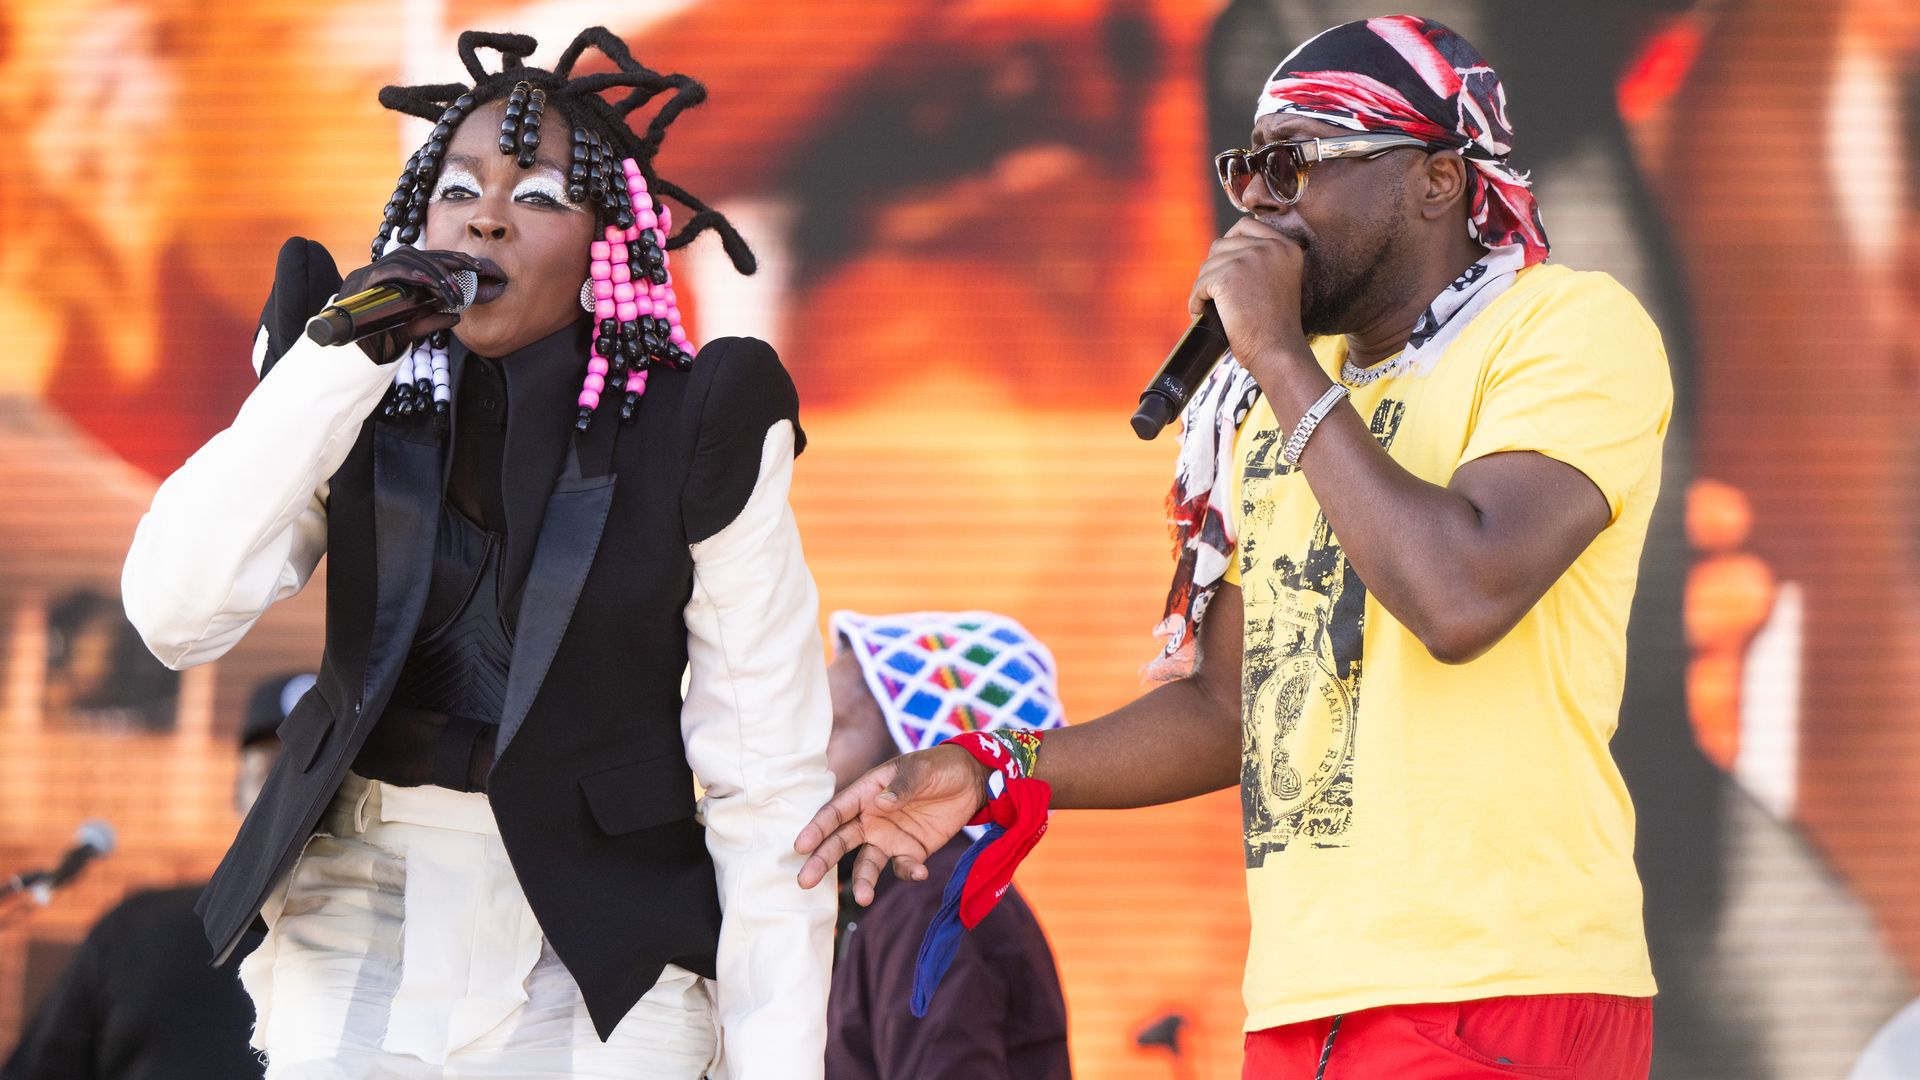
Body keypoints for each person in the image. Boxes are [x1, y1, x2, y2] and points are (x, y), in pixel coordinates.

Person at [798, 16, 1670, 1079]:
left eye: (1296, 165)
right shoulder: (1266, 404)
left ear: (1436, 181)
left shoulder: (1564, 329)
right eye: (1246, 169)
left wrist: (1274, 354)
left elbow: (1460, 596)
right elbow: (1230, 710)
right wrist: (997, 767)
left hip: (1499, 983)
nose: (1259, 201)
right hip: (1305, 998)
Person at [121, 28, 833, 1080]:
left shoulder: (697, 425)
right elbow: (178, 613)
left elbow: (766, 775)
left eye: (540, 195)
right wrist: (336, 365)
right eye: (458, 188)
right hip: (358, 892)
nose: (488, 214)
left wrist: (779, 1062)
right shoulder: (351, 385)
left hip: (602, 925)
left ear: (607, 247)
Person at [2, 671, 306, 1080]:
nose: (297, 796)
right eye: (272, 771)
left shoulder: (406, 943)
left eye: (320, 773)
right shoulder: (136, 932)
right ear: (237, 789)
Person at [822, 611, 1070, 1080]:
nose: (806, 752)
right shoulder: (897, 900)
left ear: (919, 759)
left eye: (832, 727)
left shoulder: (929, 905)